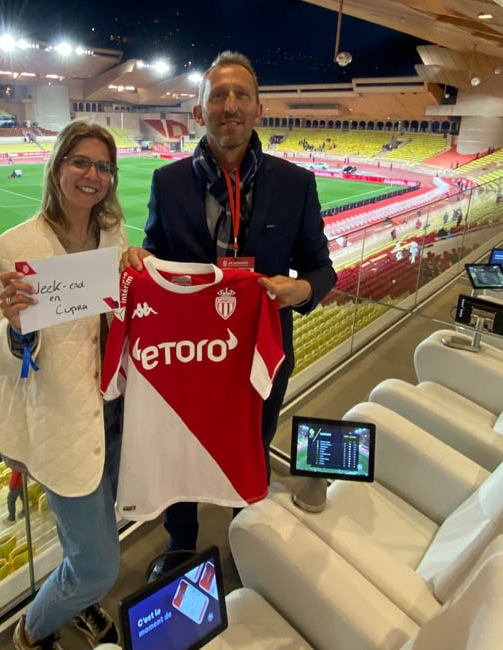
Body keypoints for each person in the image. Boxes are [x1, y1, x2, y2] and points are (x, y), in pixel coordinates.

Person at [120, 51, 336, 583]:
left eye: (241, 95)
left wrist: (301, 289)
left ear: (260, 109)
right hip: (189, 356)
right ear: (199, 112)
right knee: (181, 447)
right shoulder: (168, 183)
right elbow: (156, 254)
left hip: (260, 355)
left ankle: (246, 536)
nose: (230, 105)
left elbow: (322, 268)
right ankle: (181, 544)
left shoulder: (296, 183)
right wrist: (142, 259)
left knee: (251, 449)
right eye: (218, 96)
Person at [0, 119, 127, 649]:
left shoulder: (113, 235)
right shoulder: (13, 247)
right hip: (61, 425)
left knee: (91, 536)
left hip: (114, 414)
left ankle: (78, 603)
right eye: (80, 162)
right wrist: (17, 332)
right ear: (57, 167)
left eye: (103, 166)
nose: (92, 175)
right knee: (97, 565)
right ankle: (30, 632)